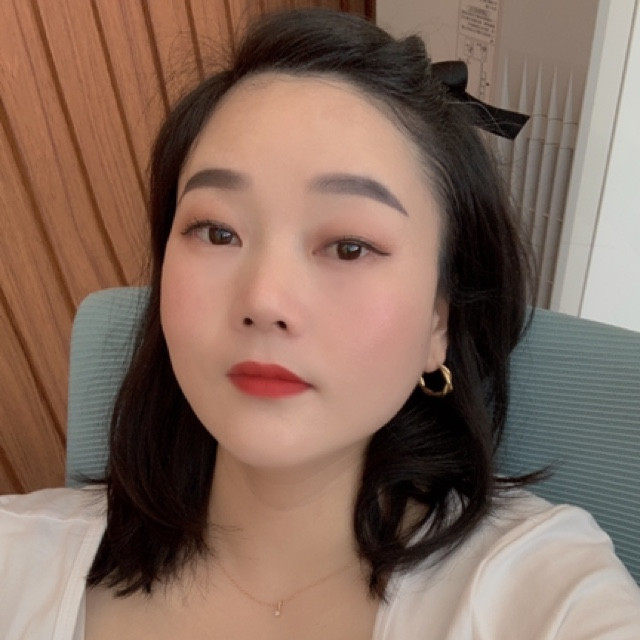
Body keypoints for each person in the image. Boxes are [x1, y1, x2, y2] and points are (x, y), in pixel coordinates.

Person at [2, 8, 639, 639]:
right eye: (217, 231)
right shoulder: (19, 558)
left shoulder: (540, 591)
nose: (265, 300)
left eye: (349, 246)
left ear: (438, 323)